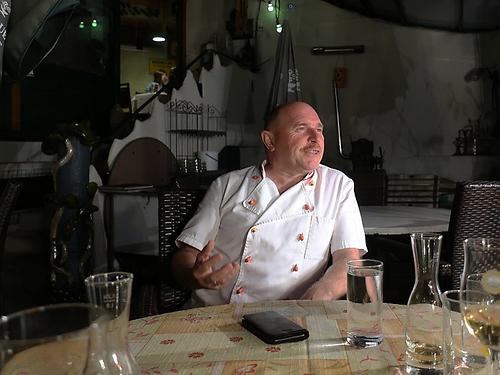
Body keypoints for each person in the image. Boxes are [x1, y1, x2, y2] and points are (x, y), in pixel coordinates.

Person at [171, 101, 367, 308]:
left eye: (319, 129)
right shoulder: (227, 185)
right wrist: (194, 277)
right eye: (301, 128)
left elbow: (349, 259)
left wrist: (317, 298)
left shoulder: (338, 185)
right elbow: (186, 254)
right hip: (215, 314)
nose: (315, 137)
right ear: (270, 140)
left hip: (291, 317)